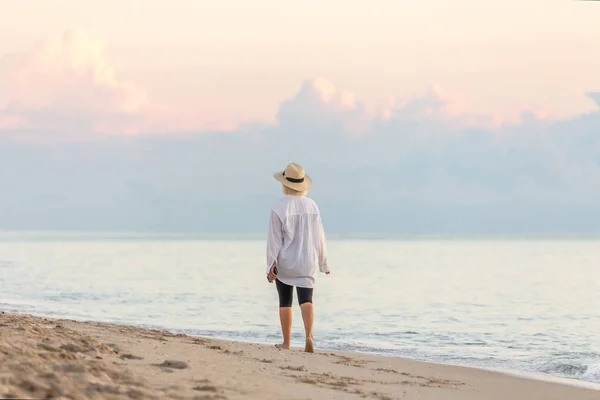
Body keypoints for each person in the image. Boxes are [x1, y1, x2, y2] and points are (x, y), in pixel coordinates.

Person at [266, 162, 330, 353]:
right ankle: (309, 338)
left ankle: (286, 343)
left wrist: (271, 265)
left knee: (285, 301)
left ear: (285, 184)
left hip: (286, 262)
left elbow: (274, 241)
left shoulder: (279, 207)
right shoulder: (312, 205)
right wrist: (323, 262)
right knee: (306, 299)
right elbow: (320, 236)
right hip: (308, 261)